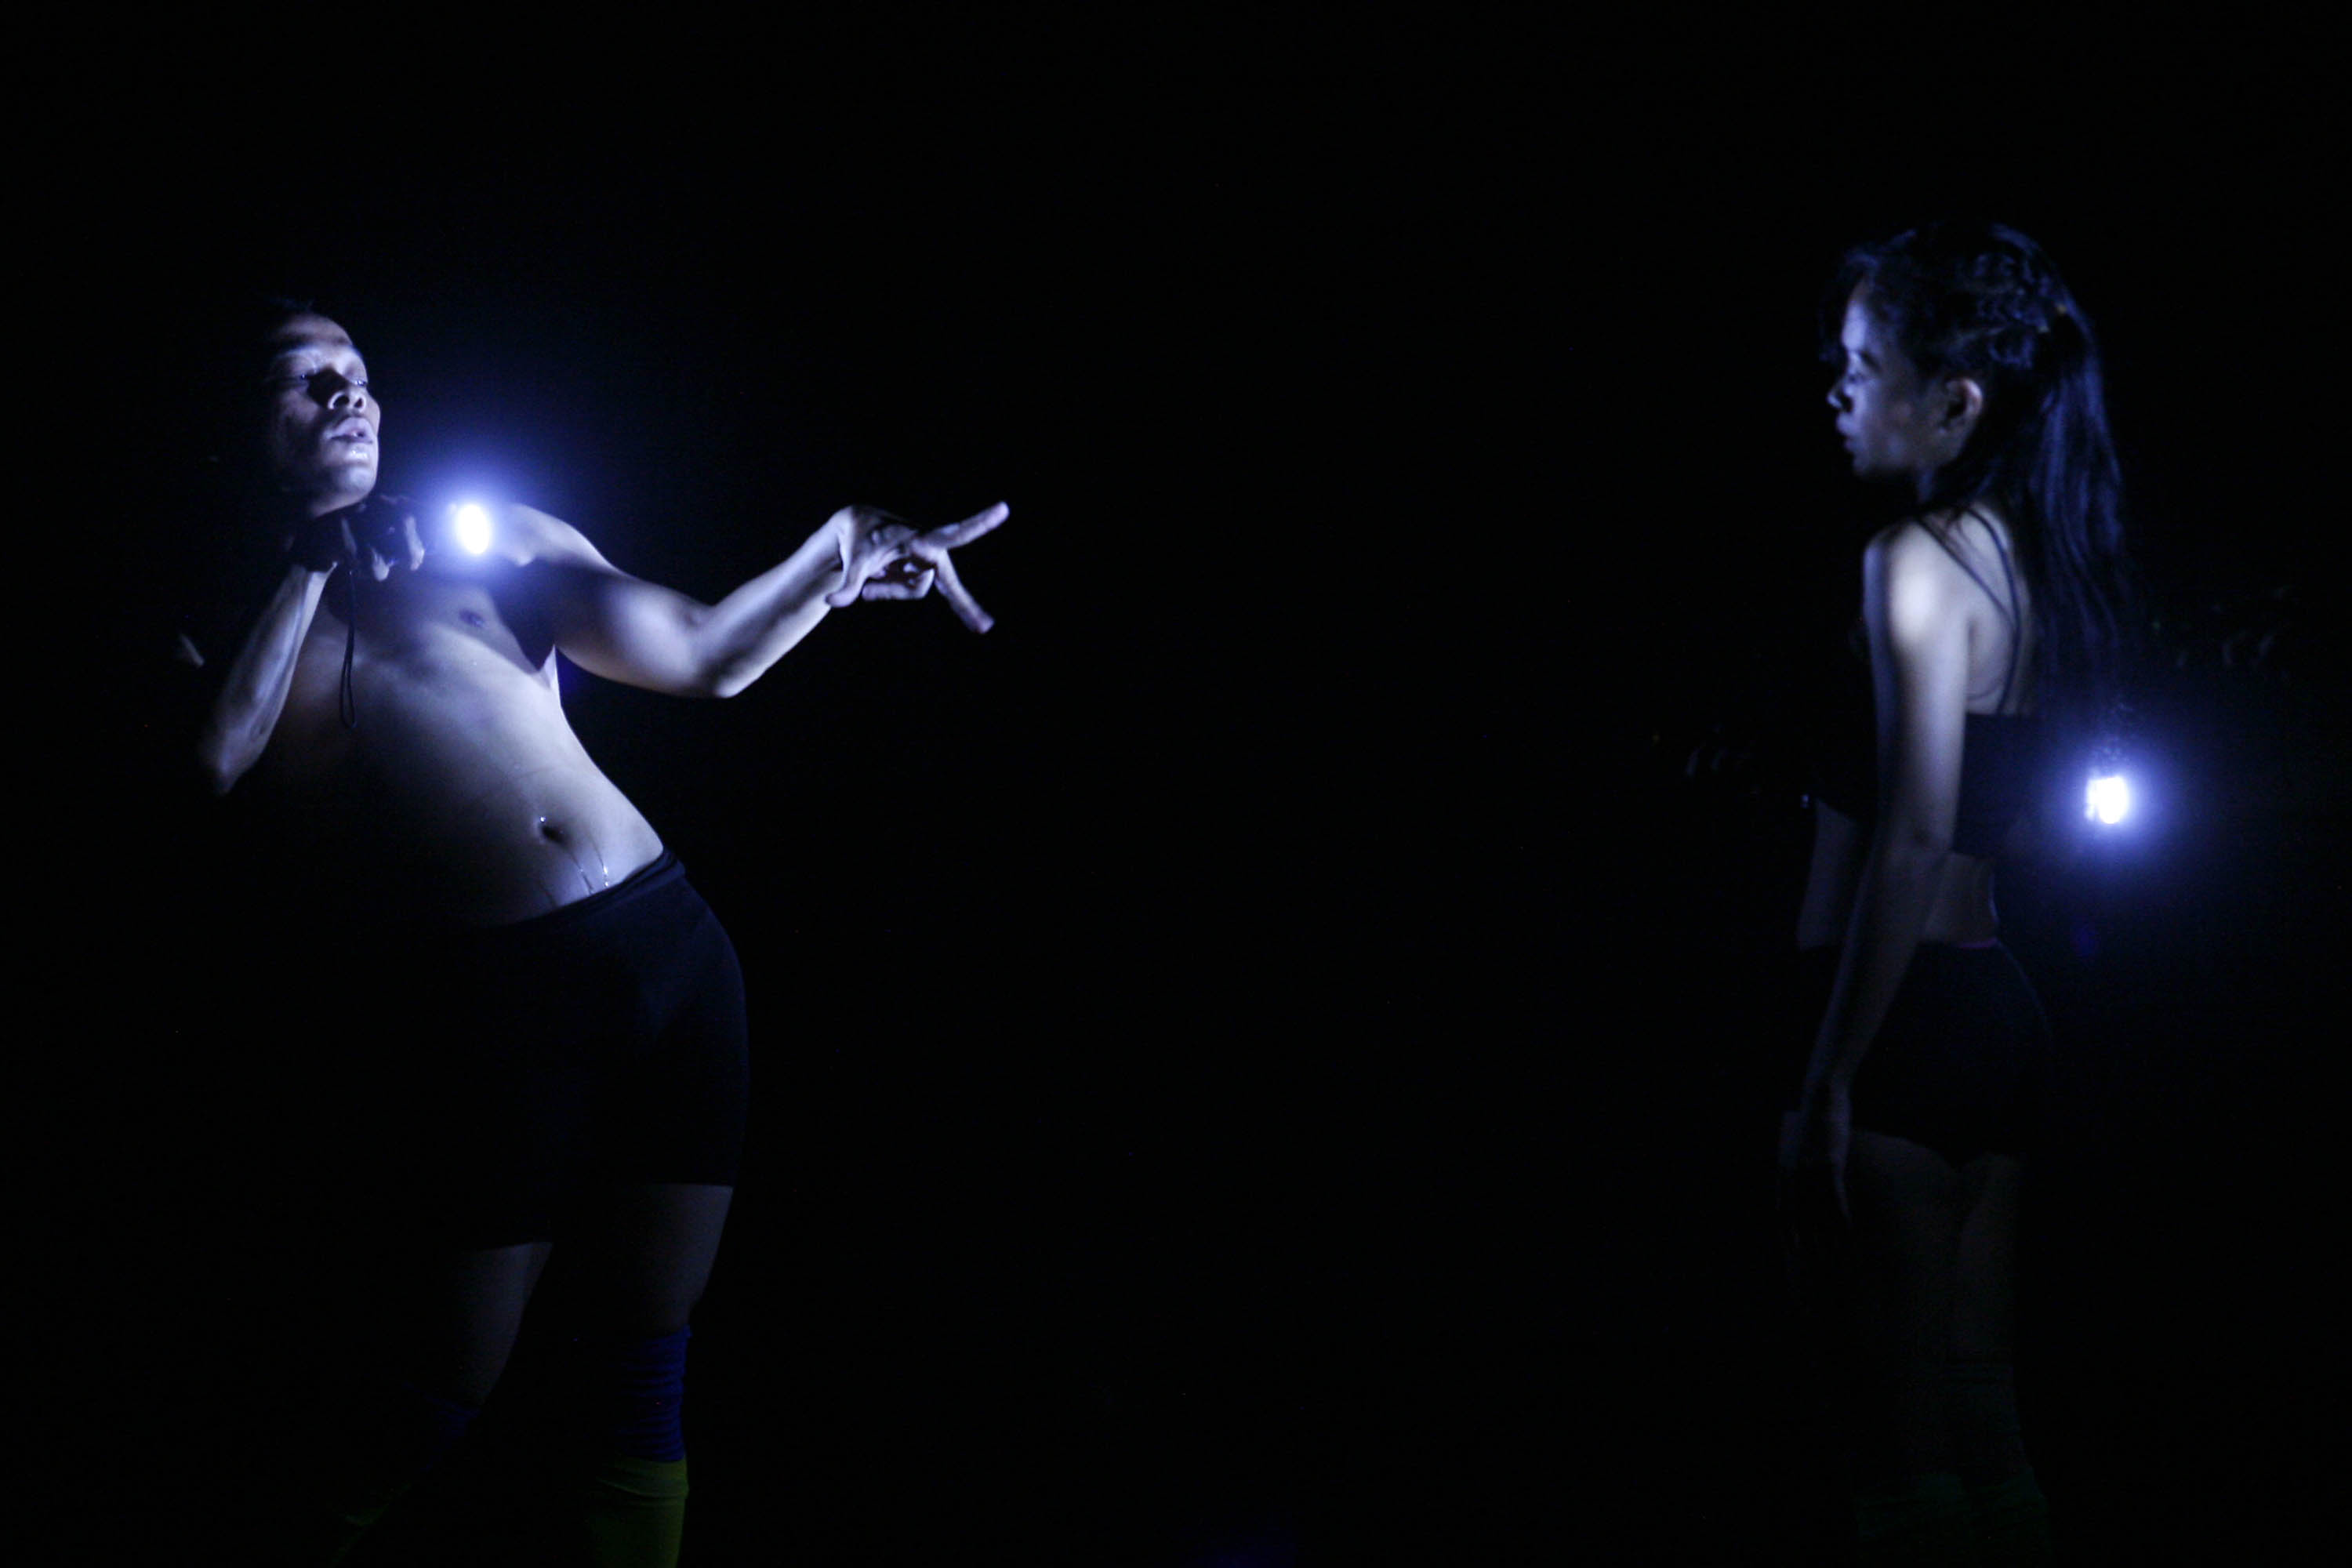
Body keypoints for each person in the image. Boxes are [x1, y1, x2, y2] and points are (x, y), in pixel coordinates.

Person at [174, 301, 1005, 1566]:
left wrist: (829, 559)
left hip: (673, 959)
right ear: (233, 426)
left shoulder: (490, 535)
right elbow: (208, 766)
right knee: (435, 1387)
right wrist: (309, 563)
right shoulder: (208, 615)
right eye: (305, 379)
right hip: (500, 1008)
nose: (347, 395)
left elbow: (706, 653)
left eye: (358, 371)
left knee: (642, 1371)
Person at [1778, 222, 2132, 1566]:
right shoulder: (2038, 568)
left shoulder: (1915, 563)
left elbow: (1917, 834)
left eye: (1863, 364)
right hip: (1996, 1011)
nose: (1836, 390)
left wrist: (1829, 1076)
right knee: (1985, 1423)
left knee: (1893, 1449)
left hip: (1902, 1023)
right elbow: (2017, 829)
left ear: (1955, 400)